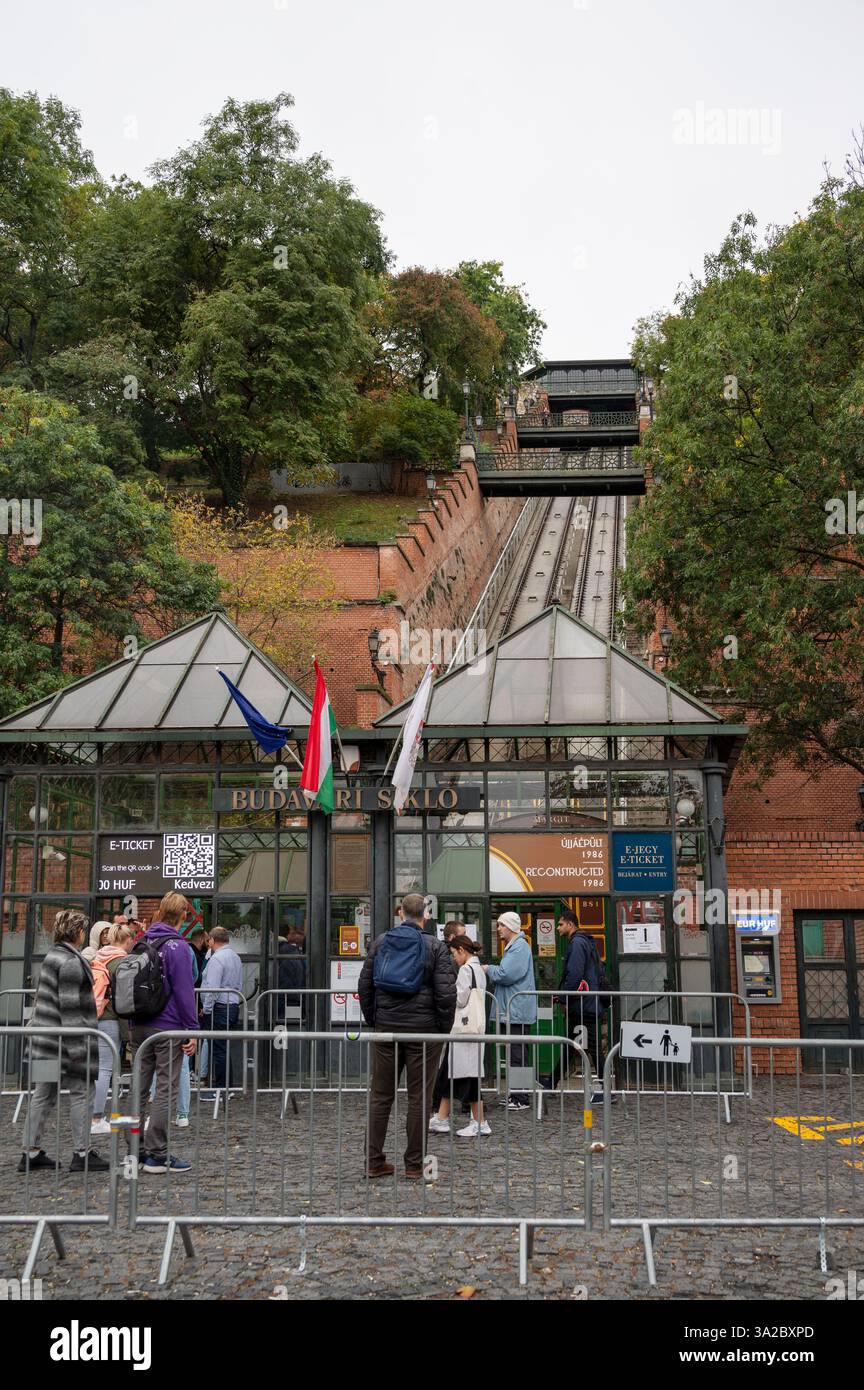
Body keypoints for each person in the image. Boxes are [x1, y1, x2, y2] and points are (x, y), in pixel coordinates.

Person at [358, 892, 456, 1180]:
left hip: (386, 1029)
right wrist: (442, 1029)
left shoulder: (380, 943)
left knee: (380, 1096)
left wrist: (376, 1020)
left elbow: (365, 987)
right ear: (424, 916)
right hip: (425, 1033)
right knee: (419, 1098)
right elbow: (446, 994)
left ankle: (373, 1161)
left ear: (400, 913)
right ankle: (414, 1165)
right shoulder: (435, 947)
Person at [19, 910, 109, 1174]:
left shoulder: (52, 956)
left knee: (43, 1095)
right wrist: (79, 1051)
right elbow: (70, 1009)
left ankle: (31, 1152)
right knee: (82, 1093)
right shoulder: (70, 962)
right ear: (78, 932)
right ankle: (81, 1153)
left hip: (44, 1041)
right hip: (66, 1043)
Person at [130, 892, 198, 1174]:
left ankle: (135, 1150)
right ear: (182, 915)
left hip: (138, 1024)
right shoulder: (177, 947)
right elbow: (184, 991)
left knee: (138, 1088)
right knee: (166, 1089)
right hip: (167, 1026)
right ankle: (157, 1154)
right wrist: (192, 1030)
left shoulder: (141, 942)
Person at [540, 911, 611, 1101]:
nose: (558, 928)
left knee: (590, 1047)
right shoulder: (585, 941)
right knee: (570, 1045)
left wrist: (563, 997)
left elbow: (574, 974)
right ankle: (551, 1082)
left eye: (561, 924)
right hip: (585, 1004)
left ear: (570, 924)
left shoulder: (578, 943)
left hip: (582, 1005)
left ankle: (606, 1091)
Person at [429, 934, 490, 1138]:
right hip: (473, 1028)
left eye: (454, 954)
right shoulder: (478, 969)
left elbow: (461, 999)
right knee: (450, 1073)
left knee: (467, 1077)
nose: (454, 958)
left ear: (462, 951)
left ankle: (480, 1122)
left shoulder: (466, 969)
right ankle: (441, 1117)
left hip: (464, 1029)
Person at [484, 911, 537, 1111]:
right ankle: (517, 1093)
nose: (498, 929)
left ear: (511, 927)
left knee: (517, 1054)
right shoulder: (516, 947)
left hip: (516, 1010)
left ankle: (521, 1097)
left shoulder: (519, 948)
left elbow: (506, 974)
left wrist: (489, 969)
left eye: (501, 925)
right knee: (516, 1052)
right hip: (514, 1009)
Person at [90, 921, 134, 1134]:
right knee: (105, 1069)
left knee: (100, 1068)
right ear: (127, 940)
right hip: (111, 1019)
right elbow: (124, 1000)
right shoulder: (121, 962)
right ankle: (97, 1118)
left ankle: (96, 1115)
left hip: (96, 1015)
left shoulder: (99, 956)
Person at [199, 925, 243, 1097]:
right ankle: (226, 1088)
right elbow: (238, 985)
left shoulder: (217, 959)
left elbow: (212, 988)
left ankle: (221, 1089)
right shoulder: (235, 957)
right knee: (223, 1047)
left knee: (218, 1049)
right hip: (232, 1005)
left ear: (212, 940)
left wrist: (207, 1009)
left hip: (220, 1008)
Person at [430, 921, 464, 1118]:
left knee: (452, 1061)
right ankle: (437, 1103)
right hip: (446, 1017)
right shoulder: (448, 956)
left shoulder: (449, 954)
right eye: (462, 934)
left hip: (448, 1016)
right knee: (444, 1062)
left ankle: (461, 1101)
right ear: (452, 937)